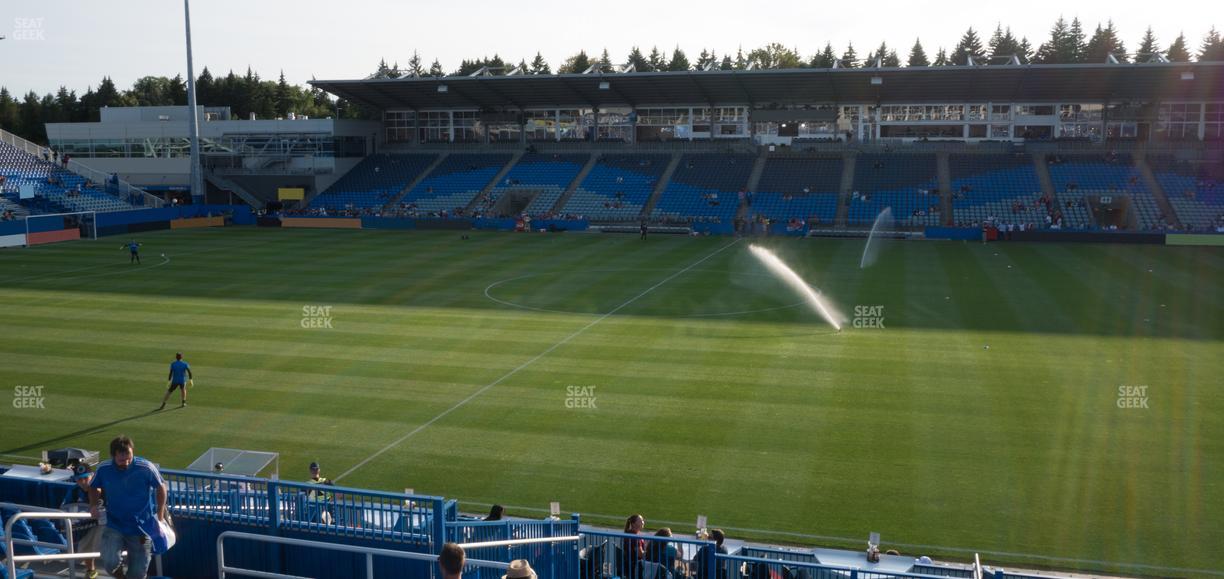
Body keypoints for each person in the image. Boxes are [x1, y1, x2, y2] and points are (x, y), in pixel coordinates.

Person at [89, 436, 169, 579]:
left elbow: (161, 486)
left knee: (138, 573)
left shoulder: (146, 467)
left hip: (142, 527)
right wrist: (94, 505)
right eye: (121, 459)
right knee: (110, 563)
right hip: (114, 524)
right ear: (113, 456)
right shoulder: (104, 468)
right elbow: (93, 487)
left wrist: (160, 514)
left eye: (129, 458)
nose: (126, 462)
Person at [62, 462, 102, 579]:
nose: (83, 482)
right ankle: (91, 570)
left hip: (105, 524)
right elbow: (65, 508)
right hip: (85, 524)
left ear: (92, 475)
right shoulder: (74, 491)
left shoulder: (104, 488)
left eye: (85, 478)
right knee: (85, 548)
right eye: (79, 479)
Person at [620, 514, 646, 579]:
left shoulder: (630, 533)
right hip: (635, 566)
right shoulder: (634, 537)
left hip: (630, 564)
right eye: (640, 521)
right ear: (634, 524)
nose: (643, 522)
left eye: (643, 520)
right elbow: (640, 554)